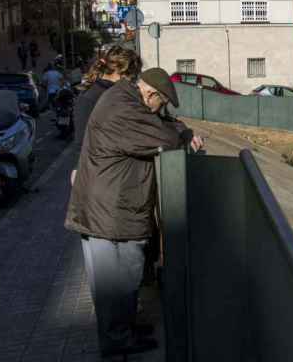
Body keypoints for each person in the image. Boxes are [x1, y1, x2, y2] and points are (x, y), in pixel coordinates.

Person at [65, 68, 202, 358]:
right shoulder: (124, 111)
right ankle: (116, 342)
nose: (159, 110)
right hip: (108, 213)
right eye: (161, 104)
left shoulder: (125, 98)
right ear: (151, 94)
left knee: (122, 280)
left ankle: (122, 331)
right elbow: (163, 135)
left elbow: (162, 123)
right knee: (115, 284)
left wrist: (176, 126)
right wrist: (183, 132)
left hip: (110, 209)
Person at [71, 47, 142, 185]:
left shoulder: (108, 92)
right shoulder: (95, 96)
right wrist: (78, 170)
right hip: (99, 174)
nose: (133, 82)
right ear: (122, 73)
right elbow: (82, 141)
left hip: (108, 171)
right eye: (133, 76)